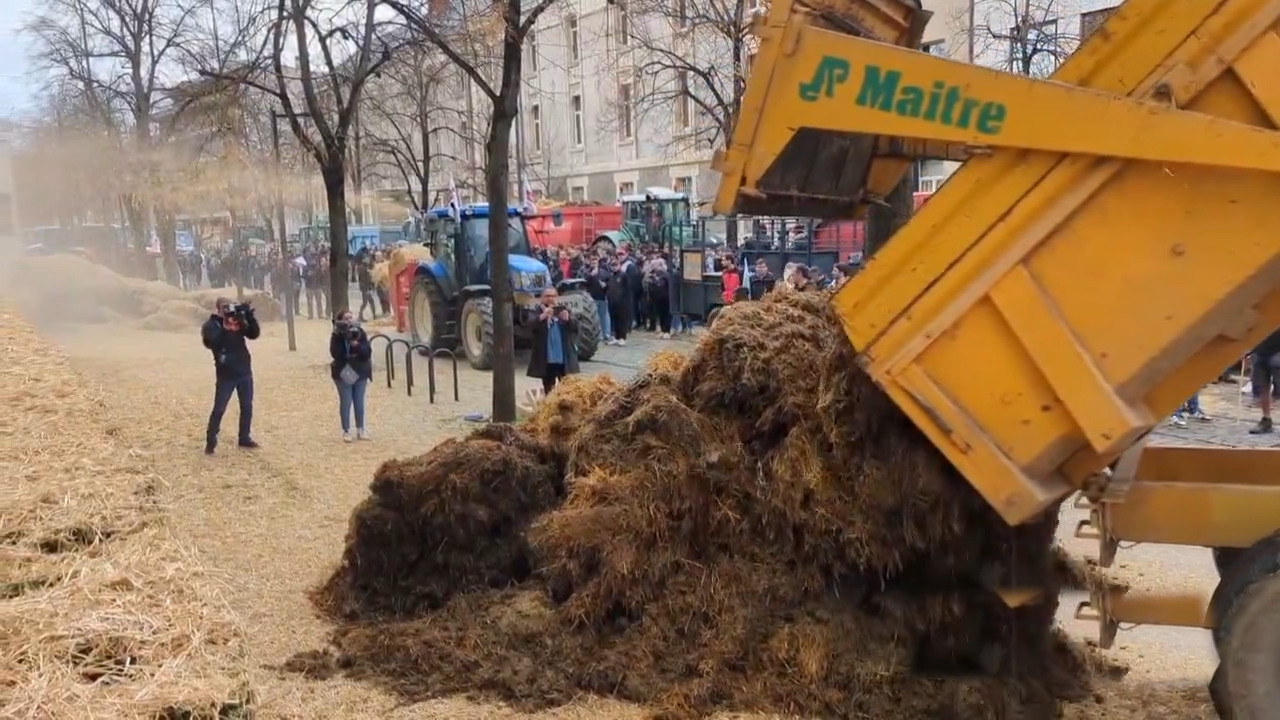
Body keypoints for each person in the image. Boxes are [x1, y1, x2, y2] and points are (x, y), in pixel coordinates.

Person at [201, 297, 261, 454]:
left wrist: (248, 317)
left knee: (247, 407)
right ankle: (211, 442)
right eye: (225, 307)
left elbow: (253, 334)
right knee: (219, 409)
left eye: (231, 306)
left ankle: (244, 437)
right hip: (226, 374)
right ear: (218, 309)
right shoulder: (211, 325)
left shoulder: (237, 319)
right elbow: (210, 343)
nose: (229, 310)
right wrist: (226, 330)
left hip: (244, 371)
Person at [330, 310, 373, 442]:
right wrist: (345, 341)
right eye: (346, 318)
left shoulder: (360, 332)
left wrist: (357, 345)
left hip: (360, 371)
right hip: (343, 372)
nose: (349, 321)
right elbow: (335, 354)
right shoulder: (336, 335)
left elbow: (367, 352)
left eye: (351, 317)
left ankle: (361, 429)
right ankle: (346, 430)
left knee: (359, 401)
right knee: (346, 401)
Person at [527, 287, 579, 394]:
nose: (550, 299)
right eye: (547, 296)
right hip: (547, 359)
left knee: (567, 389)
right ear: (542, 298)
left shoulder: (565, 310)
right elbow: (530, 325)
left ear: (557, 297)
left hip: (563, 358)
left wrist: (568, 320)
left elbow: (576, 327)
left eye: (553, 296)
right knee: (549, 389)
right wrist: (542, 317)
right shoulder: (536, 311)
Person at [1250, 328, 1280, 434]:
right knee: (1262, 387)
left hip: (1277, 351)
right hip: (1260, 350)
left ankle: (1266, 421)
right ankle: (1266, 420)